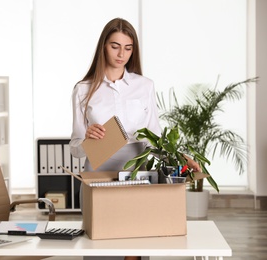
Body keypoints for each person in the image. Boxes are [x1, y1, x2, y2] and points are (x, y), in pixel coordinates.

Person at [69, 18, 200, 260]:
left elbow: (155, 138)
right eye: (115, 46)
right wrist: (87, 138)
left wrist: (181, 158)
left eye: (128, 48)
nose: (121, 54)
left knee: (135, 248)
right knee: (99, 250)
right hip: (98, 177)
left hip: (138, 176)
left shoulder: (145, 86)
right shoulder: (83, 89)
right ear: (103, 46)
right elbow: (76, 150)